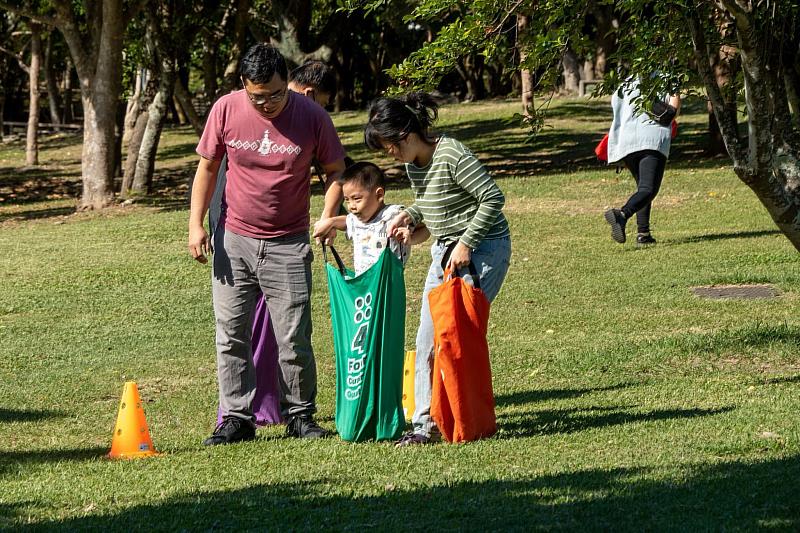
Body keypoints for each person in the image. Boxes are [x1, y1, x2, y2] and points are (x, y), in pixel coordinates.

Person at [188, 44, 346, 446]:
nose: (268, 104)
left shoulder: (312, 116)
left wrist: (328, 214)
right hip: (233, 239)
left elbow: (334, 170)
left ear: (287, 83)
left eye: (276, 94)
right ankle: (237, 419)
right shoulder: (225, 109)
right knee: (230, 334)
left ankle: (300, 415)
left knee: (293, 336)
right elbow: (207, 167)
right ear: (244, 85)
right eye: (258, 96)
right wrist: (195, 225)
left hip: (288, 243)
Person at [363, 92, 512, 447]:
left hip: (484, 250)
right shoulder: (416, 165)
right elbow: (432, 205)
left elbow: (492, 198)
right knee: (427, 339)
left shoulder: (452, 154)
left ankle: (466, 418)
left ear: (404, 133)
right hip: (444, 253)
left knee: (456, 337)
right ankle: (424, 425)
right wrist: (409, 217)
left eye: (388, 146)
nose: (390, 155)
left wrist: (467, 243)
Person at [314, 161, 430, 274]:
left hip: (389, 284)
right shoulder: (356, 219)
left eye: (357, 199)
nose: (351, 206)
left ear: (379, 194)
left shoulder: (394, 215)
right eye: (347, 200)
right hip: (364, 283)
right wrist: (331, 222)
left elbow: (425, 230)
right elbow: (346, 221)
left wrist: (410, 239)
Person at [603, 78, 681, 246]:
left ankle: (643, 234)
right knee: (648, 189)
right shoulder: (667, 78)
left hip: (626, 141)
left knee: (642, 188)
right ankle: (621, 215)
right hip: (652, 139)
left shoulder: (625, 83)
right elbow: (672, 111)